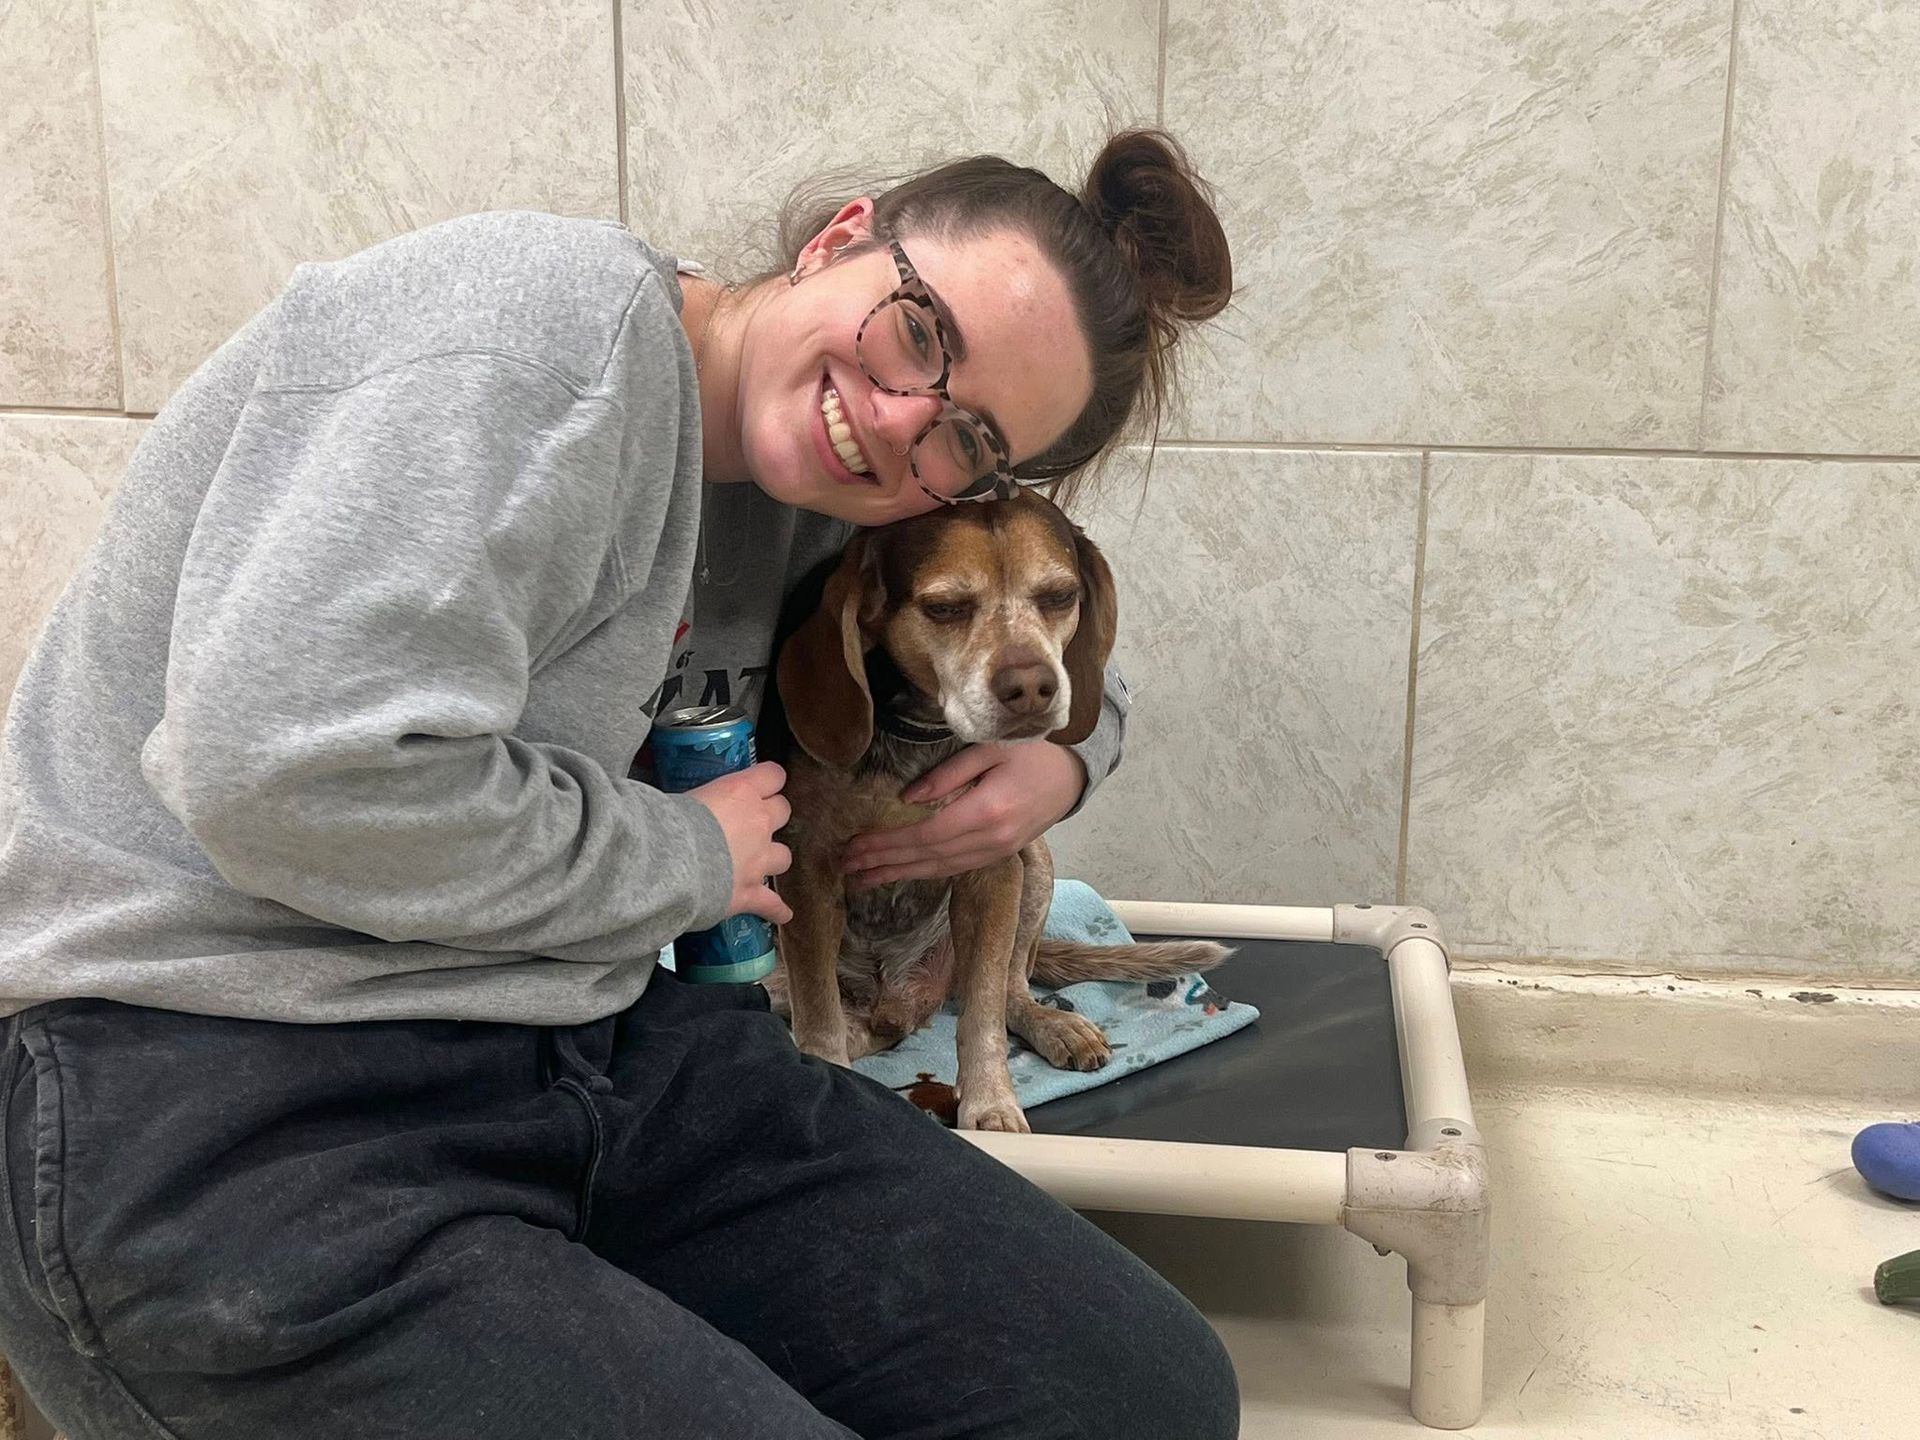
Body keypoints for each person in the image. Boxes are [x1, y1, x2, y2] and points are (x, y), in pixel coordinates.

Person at [0, 130, 1234, 1438]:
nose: (897, 418)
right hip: (211, 1085)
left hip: (593, 1044)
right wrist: (680, 858)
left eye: (966, 440)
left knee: (1140, 1391)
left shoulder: (839, 496)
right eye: (916, 331)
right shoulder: (534, 338)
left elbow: (1046, 650)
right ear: (841, 237)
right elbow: (277, 774)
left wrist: (1063, 758)